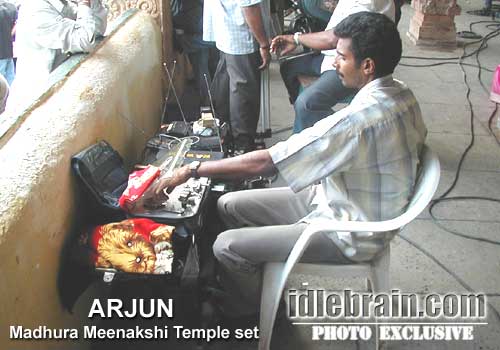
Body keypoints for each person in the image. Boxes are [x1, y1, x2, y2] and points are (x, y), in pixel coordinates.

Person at [148, 11, 427, 318]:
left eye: (342, 57)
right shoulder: (402, 93)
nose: (334, 63)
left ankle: (256, 313)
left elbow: (267, 163)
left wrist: (190, 169)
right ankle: (256, 281)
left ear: (367, 66)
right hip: (341, 198)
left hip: (350, 231)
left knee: (226, 246)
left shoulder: (356, 123)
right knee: (228, 204)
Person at [271, 0, 395, 132]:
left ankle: (340, 131)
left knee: (307, 103)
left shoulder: (369, 3)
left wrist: (296, 38)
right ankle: (308, 121)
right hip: (331, 56)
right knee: (289, 68)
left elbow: (333, 39)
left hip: (353, 66)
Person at [5, 0, 107, 114]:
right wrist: (84, 4)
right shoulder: (37, 10)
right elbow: (85, 40)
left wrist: (91, 3)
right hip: (34, 105)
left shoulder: (63, 4)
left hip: (57, 95)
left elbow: (96, 31)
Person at [203, 0, 272, 154]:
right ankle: (242, 146)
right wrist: (264, 44)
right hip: (241, 35)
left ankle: (225, 137)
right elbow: (249, 7)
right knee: (243, 92)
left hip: (227, 29)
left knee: (228, 85)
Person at [0, 0, 17, 85]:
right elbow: (14, 25)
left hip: (1, 54)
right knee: (10, 80)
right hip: (8, 51)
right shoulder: (7, 10)